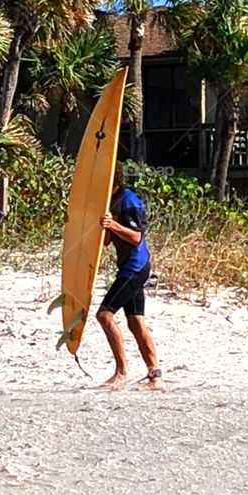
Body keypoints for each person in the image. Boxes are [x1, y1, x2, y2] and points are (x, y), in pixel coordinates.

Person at [97, 165, 163, 390]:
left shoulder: (129, 200)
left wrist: (112, 224)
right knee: (136, 323)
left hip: (135, 266)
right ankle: (156, 376)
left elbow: (136, 237)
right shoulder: (109, 201)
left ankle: (121, 371)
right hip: (127, 266)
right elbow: (107, 241)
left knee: (104, 315)